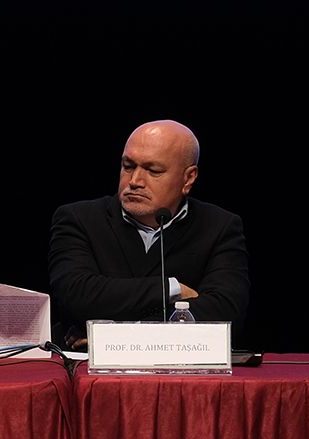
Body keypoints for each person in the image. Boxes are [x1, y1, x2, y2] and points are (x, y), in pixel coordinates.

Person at [48, 119, 250, 350]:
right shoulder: (78, 219)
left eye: (154, 171)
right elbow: (77, 298)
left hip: (180, 367)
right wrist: (172, 289)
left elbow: (225, 313)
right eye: (128, 166)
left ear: (188, 178)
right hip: (86, 367)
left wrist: (117, 336)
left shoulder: (219, 226)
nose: (135, 181)